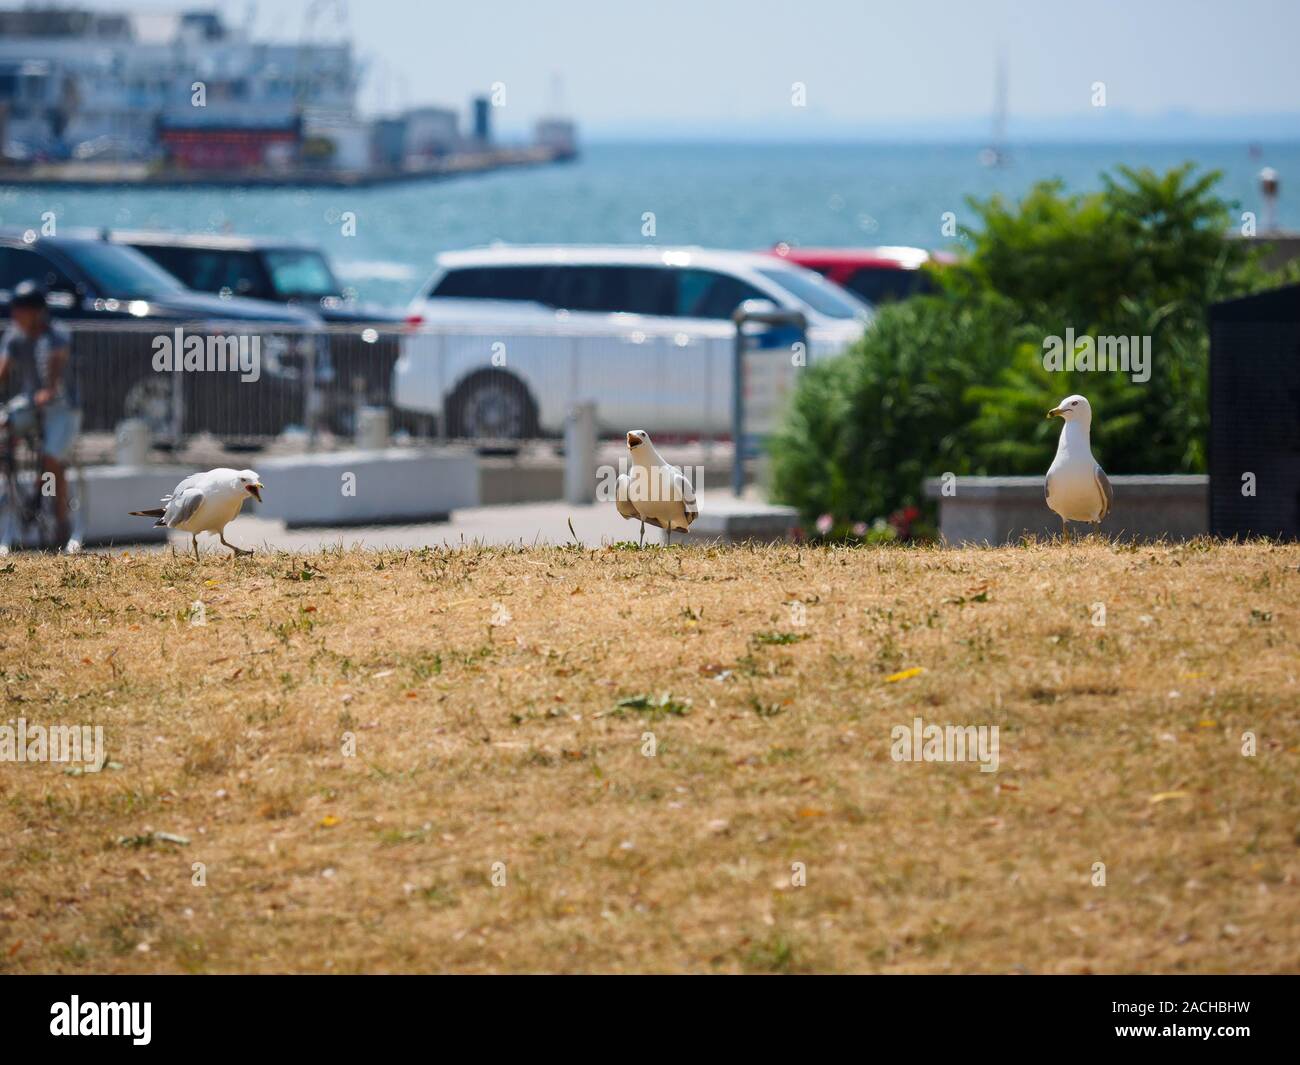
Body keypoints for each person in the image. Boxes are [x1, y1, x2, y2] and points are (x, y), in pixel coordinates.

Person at [0, 281, 80, 548]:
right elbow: (3, 368)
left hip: (61, 406)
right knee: (4, 425)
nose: (15, 316)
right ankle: (11, 488)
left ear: (36, 312)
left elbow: (57, 361)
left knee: (50, 460)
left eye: (20, 310)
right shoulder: (14, 336)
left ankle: (61, 521)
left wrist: (49, 388)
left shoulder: (56, 333)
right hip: (31, 402)